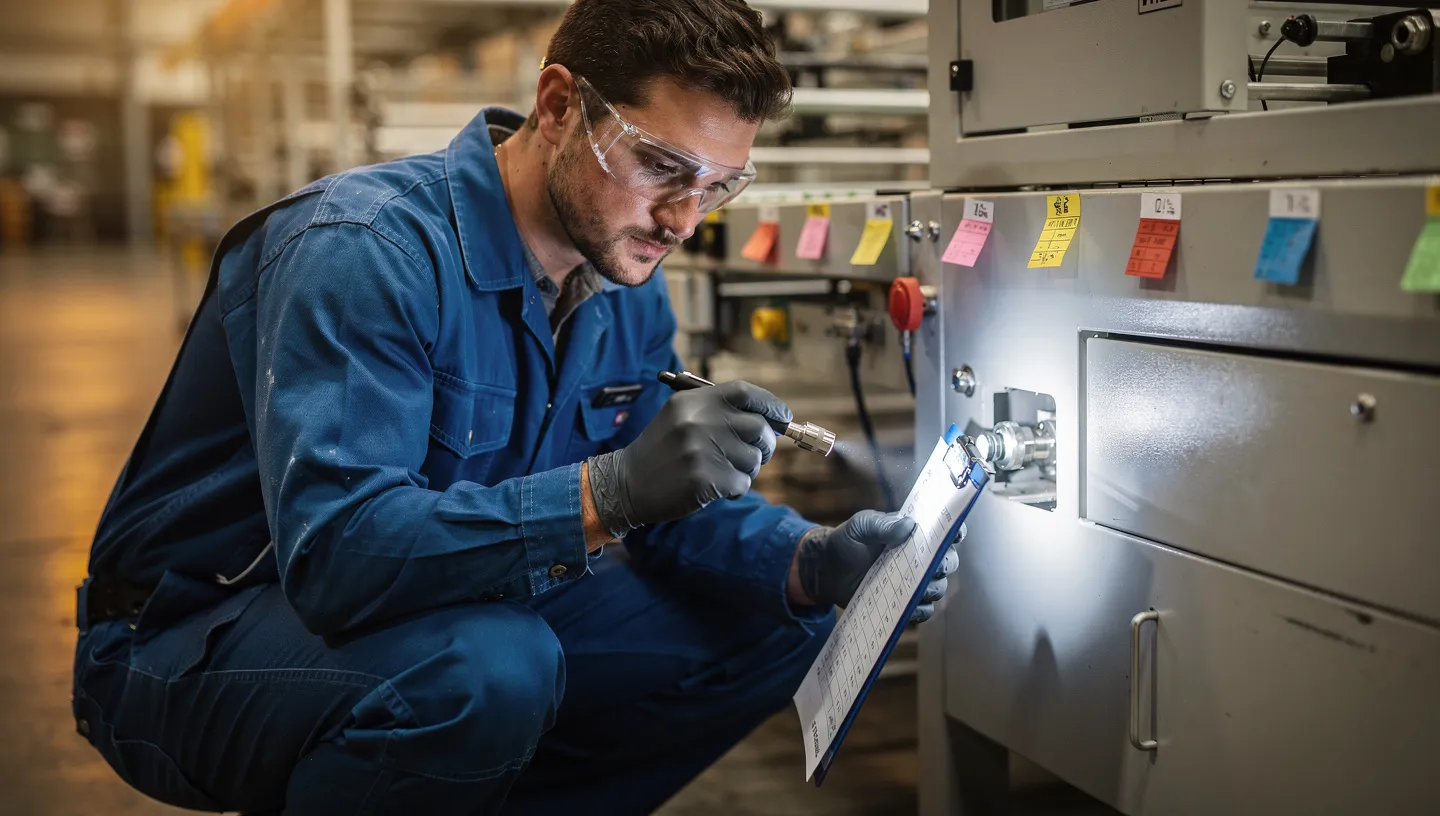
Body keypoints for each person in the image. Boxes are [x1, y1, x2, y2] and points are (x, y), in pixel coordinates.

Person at [71, 1, 962, 813]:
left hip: (452, 605)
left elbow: (666, 509)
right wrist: (605, 494)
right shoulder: (364, 250)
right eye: (660, 166)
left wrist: (811, 562)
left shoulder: (625, 282)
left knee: (780, 623)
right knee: (488, 671)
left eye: (718, 185)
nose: (684, 219)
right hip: (195, 637)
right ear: (559, 106)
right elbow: (339, 558)